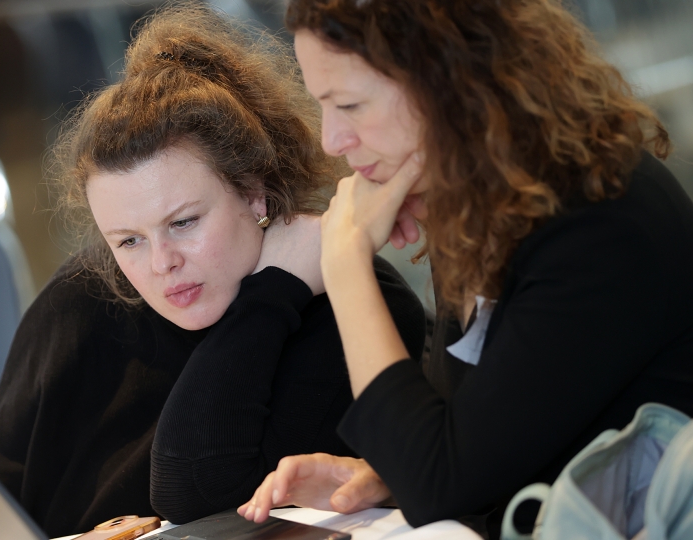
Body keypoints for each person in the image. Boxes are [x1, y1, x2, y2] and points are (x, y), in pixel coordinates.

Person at [0, 4, 426, 540]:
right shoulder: (90, 298)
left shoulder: (350, 309)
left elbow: (195, 489)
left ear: (256, 193)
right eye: (127, 239)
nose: (160, 264)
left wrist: (272, 294)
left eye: (184, 222)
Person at [239, 0, 693, 537]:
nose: (331, 139)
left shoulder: (600, 221)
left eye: (351, 105)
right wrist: (389, 472)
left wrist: (345, 263)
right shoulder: (481, 207)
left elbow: (440, 486)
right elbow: (469, 443)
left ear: (452, 83)